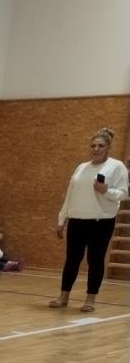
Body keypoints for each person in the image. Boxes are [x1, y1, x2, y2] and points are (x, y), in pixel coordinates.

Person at [53, 127, 129, 312]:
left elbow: (123, 193)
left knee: (95, 260)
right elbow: (70, 194)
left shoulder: (117, 166)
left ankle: (90, 299)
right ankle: (63, 296)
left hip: (101, 221)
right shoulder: (81, 167)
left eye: (100, 146)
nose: (96, 149)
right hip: (77, 220)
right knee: (72, 260)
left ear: (108, 147)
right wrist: (62, 219)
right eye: (93, 145)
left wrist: (106, 190)